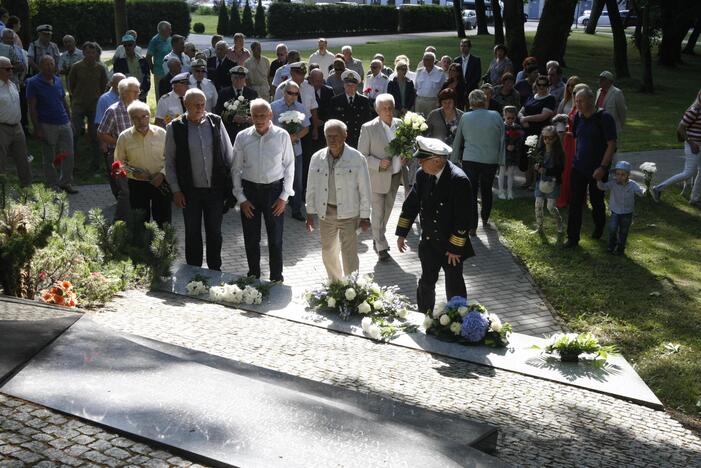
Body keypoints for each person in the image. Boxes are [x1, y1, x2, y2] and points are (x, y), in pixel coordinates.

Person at [396, 136, 474, 314]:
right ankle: (424, 315)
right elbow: (411, 205)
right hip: (430, 241)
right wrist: (402, 233)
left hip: (450, 245)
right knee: (426, 281)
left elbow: (464, 218)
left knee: (454, 283)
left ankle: (458, 317)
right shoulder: (423, 175)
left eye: (422, 159)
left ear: (437, 161)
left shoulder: (458, 180)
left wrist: (455, 247)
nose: (419, 162)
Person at [165, 88, 233, 271]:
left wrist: (233, 186)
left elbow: (229, 155)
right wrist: (176, 190)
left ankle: (214, 270)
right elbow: (169, 163)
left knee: (215, 233)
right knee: (192, 233)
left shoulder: (216, 122)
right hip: (189, 192)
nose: (200, 108)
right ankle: (193, 271)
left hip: (215, 190)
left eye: (203, 105)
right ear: (185, 105)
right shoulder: (174, 127)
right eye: (196, 105)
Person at [232, 99, 295, 282]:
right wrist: (241, 198)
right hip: (250, 192)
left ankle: (276, 277)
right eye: (255, 116)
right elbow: (235, 169)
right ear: (250, 117)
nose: (259, 119)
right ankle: (253, 275)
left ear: (270, 115)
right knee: (251, 238)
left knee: (275, 239)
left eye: (262, 115)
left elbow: (289, 166)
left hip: (274, 192)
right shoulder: (242, 137)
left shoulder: (282, 136)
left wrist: (284, 196)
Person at [306, 119, 372, 279]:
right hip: (326, 213)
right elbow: (311, 186)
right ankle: (335, 286)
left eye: (336, 136)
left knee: (349, 254)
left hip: (349, 214)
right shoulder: (317, 158)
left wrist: (365, 216)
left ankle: (351, 288)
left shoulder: (357, 158)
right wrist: (309, 212)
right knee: (328, 251)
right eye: (329, 136)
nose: (332, 140)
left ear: (345, 136)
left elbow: (365, 189)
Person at [565, 87, 617, 248]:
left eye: (580, 101)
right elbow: (575, 138)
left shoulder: (604, 117)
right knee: (575, 203)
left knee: (597, 201)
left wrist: (603, 167)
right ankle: (572, 238)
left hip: (597, 169)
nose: (577, 104)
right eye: (576, 101)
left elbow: (612, 144)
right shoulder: (578, 117)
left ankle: (599, 227)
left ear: (590, 99)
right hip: (579, 167)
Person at [357, 93, 405, 261]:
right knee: (377, 213)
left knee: (387, 212)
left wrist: (407, 155)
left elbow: (407, 145)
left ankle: (378, 237)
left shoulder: (400, 125)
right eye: (384, 108)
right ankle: (381, 245)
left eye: (390, 107)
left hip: (396, 175)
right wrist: (378, 163)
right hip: (377, 177)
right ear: (377, 110)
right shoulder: (368, 128)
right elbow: (361, 155)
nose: (388, 111)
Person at [451, 89, 504, 235]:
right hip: (490, 160)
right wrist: (501, 159)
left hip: (470, 159)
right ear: (484, 101)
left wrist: (453, 160)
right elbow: (502, 139)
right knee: (487, 190)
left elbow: (458, 140)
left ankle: (472, 226)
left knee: (471, 192)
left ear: (470, 102)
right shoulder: (496, 115)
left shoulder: (465, 117)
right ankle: (485, 217)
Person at [114, 100, 170, 227]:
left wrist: (162, 174)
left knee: (163, 220)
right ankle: (142, 246)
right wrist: (132, 173)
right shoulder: (124, 137)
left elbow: (171, 159)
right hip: (137, 184)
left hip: (161, 182)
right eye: (136, 117)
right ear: (131, 119)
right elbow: (118, 163)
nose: (141, 120)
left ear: (149, 116)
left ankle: (164, 246)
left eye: (144, 116)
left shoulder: (162, 133)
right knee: (139, 221)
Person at [26, 55, 76, 193]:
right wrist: (37, 128)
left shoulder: (58, 81)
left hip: (64, 121)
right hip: (47, 124)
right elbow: (32, 107)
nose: (49, 67)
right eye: (46, 64)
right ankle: (52, 185)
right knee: (49, 157)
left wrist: (70, 119)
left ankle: (65, 182)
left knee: (69, 154)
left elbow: (63, 101)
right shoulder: (33, 82)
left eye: (51, 64)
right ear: (41, 66)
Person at [97, 76, 140, 219]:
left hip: (138, 156)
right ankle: (119, 224)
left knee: (137, 190)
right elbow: (101, 133)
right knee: (125, 191)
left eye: (138, 90)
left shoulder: (139, 108)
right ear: (124, 92)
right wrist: (120, 142)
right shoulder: (113, 110)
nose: (138, 93)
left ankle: (136, 221)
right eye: (135, 91)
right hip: (118, 157)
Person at [652, 89, 701, 206]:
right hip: (692, 145)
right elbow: (680, 128)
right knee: (688, 173)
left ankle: (695, 198)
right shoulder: (694, 111)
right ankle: (657, 188)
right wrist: (691, 142)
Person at [272, 81, 310, 222]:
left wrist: (296, 136)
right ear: (284, 92)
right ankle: (276, 207)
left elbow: (306, 127)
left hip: (295, 150)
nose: (293, 96)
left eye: (296, 94)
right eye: (290, 93)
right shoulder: (274, 107)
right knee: (277, 179)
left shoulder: (301, 108)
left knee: (297, 181)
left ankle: (296, 209)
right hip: (277, 150)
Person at [68, 41, 108, 170]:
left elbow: (103, 86)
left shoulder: (100, 68)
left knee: (95, 134)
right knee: (74, 133)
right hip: (78, 104)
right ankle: (72, 163)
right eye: (87, 52)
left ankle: (96, 164)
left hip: (94, 106)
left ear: (96, 53)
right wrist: (75, 97)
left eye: (93, 52)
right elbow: (71, 85)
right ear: (83, 53)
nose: (90, 55)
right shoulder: (76, 67)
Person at [597, 161, 645, 255]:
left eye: (623, 175)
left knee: (623, 232)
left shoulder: (632, 184)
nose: (619, 177)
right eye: (618, 174)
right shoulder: (613, 183)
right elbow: (603, 187)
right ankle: (611, 245)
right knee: (612, 229)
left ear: (628, 175)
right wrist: (599, 180)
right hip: (615, 211)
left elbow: (640, 192)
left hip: (627, 212)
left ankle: (620, 249)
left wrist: (645, 189)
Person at [518, 74, 556, 189]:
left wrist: (527, 118)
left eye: (544, 85)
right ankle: (527, 181)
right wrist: (521, 119)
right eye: (539, 84)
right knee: (527, 157)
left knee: (537, 158)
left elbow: (544, 116)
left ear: (548, 86)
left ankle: (535, 183)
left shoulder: (550, 99)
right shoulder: (531, 96)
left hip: (540, 133)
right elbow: (521, 111)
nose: (541, 87)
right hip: (527, 132)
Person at [0, 56, 31, 186]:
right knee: (1, 161)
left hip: (17, 127)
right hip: (2, 128)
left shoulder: (12, 84)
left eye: (11, 68)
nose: (11, 71)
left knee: (23, 159)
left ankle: (27, 188)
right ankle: (2, 194)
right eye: (7, 69)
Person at [555, 78, 584, 209]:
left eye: (576, 91)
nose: (573, 91)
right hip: (568, 140)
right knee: (566, 169)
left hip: (574, 141)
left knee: (572, 170)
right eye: (571, 89)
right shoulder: (570, 105)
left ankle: (574, 198)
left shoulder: (580, 109)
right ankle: (566, 197)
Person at [532, 126, 565, 235]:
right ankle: (539, 227)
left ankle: (559, 222)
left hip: (553, 183)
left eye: (550, 138)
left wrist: (546, 170)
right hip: (540, 181)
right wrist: (537, 167)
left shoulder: (559, 153)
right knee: (538, 205)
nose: (547, 140)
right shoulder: (540, 150)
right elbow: (536, 162)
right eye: (545, 137)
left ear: (555, 138)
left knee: (550, 207)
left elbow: (560, 169)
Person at [214, 65, 258, 143]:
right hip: (229, 132)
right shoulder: (224, 93)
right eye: (235, 77)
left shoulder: (252, 94)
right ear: (231, 78)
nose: (238, 80)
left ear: (245, 79)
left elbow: (257, 111)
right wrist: (232, 118)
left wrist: (251, 119)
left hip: (247, 131)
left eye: (241, 78)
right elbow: (218, 112)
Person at [329, 70, 371, 149]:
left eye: (352, 85)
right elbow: (332, 121)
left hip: (359, 138)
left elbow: (367, 120)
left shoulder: (364, 101)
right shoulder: (335, 100)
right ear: (344, 85)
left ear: (356, 86)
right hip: (341, 139)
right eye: (348, 85)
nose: (350, 88)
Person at [112, 34, 150, 102]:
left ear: (134, 45)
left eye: (129, 45)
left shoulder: (142, 60)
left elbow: (147, 77)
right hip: (126, 95)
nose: (127, 47)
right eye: (125, 45)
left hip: (141, 94)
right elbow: (118, 80)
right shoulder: (119, 62)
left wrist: (143, 90)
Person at [497, 106, 523, 200]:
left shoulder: (517, 127)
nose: (510, 120)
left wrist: (514, 146)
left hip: (513, 153)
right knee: (502, 172)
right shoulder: (501, 127)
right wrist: (506, 145)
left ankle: (510, 191)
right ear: (504, 116)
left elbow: (520, 140)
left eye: (513, 118)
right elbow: (498, 140)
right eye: (508, 118)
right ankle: (500, 191)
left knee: (511, 173)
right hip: (503, 153)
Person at [596, 71, 627, 138]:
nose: (600, 81)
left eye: (603, 79)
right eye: (600, 79)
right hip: (599, 127)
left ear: (610, 81)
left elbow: (622, 111)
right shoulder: (598, 91)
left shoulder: (617, 92)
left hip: (612, 127)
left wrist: (620, 126)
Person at [146, 21, 172, 99]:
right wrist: (152, 68)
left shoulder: (170, 39)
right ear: (162, 30)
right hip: (159, 72)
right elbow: (148, 56)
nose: (171, 31)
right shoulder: (155, 41)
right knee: (161, 94)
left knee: (170, 93)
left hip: (170, 71)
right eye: (169, 29)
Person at [414, 52, 445, 117]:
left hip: (433, 101)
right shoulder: (419, 71)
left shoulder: (440, 72)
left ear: (433, 61)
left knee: (432, 121)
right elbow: (416, 87)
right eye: (424, 59)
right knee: (418, 122)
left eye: (427, 59)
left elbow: (443, 88)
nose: (425, 61)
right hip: (420, 101)